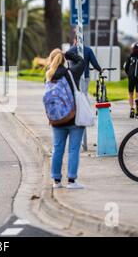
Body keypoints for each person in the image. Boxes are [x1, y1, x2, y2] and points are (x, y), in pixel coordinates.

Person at [45, 49, 85, 189]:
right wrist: (68, 53)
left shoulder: (48, 76)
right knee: (73, 149)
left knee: (57, 148)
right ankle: (72, 181)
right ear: (63, 59)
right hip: (73, 118)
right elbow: (81, 61)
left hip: (56, 119)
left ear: (51, 60)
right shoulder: (72, 73)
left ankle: (56, 181)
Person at [123, 42, 138, 119]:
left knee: (130, 94)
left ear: (132, 49)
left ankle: (132, 109)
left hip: (131, 78)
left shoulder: (129, 58)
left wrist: (130, 75)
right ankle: (137, 111)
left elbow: (126, 68)